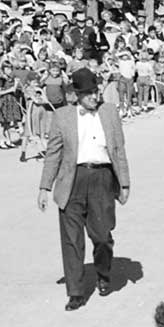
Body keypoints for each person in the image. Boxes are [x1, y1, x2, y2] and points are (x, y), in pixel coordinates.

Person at [37, 68, 131, 311]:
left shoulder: (109, 112)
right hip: (72, 180)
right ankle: (76, 292)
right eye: (88, 92)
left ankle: (103, 273)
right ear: (76, 95)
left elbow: (119, 149)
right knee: (71, 240)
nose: (93, 96)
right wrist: (44, 186)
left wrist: (125, 182)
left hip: (102, 179)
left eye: (95, 90)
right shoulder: (63, 116)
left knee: (102, 236)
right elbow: (53, 154)